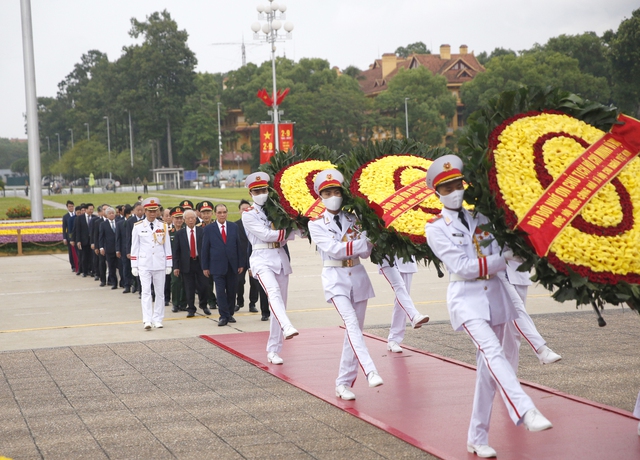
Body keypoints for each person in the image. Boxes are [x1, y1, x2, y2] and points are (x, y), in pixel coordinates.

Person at [424, 155, 552, 458]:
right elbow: (464, 266)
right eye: (447, 187)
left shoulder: (484, 219)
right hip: (466, 300)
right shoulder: (436, 228)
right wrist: (503, 259)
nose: (455, 190)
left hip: (495, 298)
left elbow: (505, 248)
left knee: (487, 371)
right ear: (437, 193)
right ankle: (525, 409)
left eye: (458, 184)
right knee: (493, 353)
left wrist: (519, 250)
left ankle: (477, 438)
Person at [308, 169, 383, 401]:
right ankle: (370, 370)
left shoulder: (355, 218)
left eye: (336, 191)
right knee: (350, 323)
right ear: (320, 196)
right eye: (328, 192)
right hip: (335, 278)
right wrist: (361, 243)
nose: (333, 195)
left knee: (354, 331)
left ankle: (342, 383)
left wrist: (364, 243)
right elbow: (333, 249)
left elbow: (368, 250)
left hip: (358, 277)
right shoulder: (316, 224)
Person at [242, 172, 300, 365]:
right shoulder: (248, 214)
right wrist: (288, 231)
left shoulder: (278, 209)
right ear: (251, 193)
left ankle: (273, 350)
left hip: (280, 257)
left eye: (264, 190)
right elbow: (266, 235)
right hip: (261, 259)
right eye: (257, 191)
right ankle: (287, 325)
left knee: (280, 304)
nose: (261, 194)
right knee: (272, 293)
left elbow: (289, 234)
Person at [504, 260, 562, 368]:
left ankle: (508, 375)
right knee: (516, 310)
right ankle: (541, 349)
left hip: (518, 270)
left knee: (512, 332)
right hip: (495, 275)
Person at [130, 197, 173, 330]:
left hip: (159, 263)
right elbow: (135, 247)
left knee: (160, 293)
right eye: (150, 211)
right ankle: (147, 319)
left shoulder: (163, 226)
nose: (152, 213)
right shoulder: (138, 227)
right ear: (145, 211)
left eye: (155, 210)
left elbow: (167, 246)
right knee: (146, 292)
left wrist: (169, 264)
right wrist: (134, 265)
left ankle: (158, 318)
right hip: (144, 263)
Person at [202, 204, 245, 326]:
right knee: (220, 292)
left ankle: (230, 313)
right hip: (216, 266)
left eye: (224, 212)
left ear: (227, 213)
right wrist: (205, 266)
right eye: (219, 212)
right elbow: (205, 249)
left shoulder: (233, 227)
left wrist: (241, 263)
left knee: (231, 292)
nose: (222, 215)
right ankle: (223, 316)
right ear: (215, 214)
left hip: (232, 265)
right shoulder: (209, 229)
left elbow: (238, 246)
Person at [378, 256, 430, 353]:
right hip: (385, 256)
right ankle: (414, 316)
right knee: (400, 287)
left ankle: (394, 339)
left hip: (405, 257)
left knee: (403, 297)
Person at [173, 209, 210, 317]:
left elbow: (206, 248)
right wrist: (176, 266)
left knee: (204, 286)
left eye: (193, 218)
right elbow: (176, 251)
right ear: (184, 220)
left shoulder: (202, 231)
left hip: (200, 262)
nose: (191, 220)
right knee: (189, 287)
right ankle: (191, 308)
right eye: (188, 218)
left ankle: (203, 305)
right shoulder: (180, 234)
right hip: (187, 263)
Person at [235, 199, 258, 313]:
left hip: (253, 256)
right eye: (243, 209)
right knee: (239, 281)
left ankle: (252, 303)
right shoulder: (235, 225)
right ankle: (239, 302)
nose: (245, 211)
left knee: (254, 281)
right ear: (239, 211)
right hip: (240, 258)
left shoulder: (255, 224)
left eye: (247, 209)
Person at [197, 201, 217, 311]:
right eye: (203, 213)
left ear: (212, 213)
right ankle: (211, 300)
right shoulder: (198, 227)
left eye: (208, 212)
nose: (206, 215)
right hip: (204, 258)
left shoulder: (216, 225)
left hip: (215, 258)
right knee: (207, 283)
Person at [168, 206, 187, 313]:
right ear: (172, 218)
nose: (179, 220)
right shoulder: (169, 232)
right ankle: (175, 303)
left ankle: (183, 303)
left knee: (185, 283)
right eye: (176, 218)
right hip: (173, 261)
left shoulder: (186, 231)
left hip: (185, 260)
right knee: (175, 283)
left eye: (180, 218)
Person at [127, 202, 145, 295]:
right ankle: (137, 287)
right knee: (137, 271)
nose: (140, 211)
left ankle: (143, 290)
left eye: (142, 210)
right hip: (136, 249)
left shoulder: (147, 219)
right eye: (138, 210)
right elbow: (129, 238)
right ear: (134, 211)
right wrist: (129, 251)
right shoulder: (130, 221)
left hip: (145, 250)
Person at [99, 207, 119, 289]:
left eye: (113, 213)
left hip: (118, 249)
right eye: (109, 213)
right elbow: (101, 237)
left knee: (121, 266)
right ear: (106, 215)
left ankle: (124, 282)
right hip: (109, 249)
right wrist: (101, 247)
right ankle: (114, 282)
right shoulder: (103, 224)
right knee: (111, 267)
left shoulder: (119, 222)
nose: (111, 214)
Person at [116, 204, 133, 293]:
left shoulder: (135, 223)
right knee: (125, 267)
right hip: (124, 249)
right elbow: (118, 238)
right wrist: (118, 250)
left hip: (133, 249)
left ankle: (135, 284)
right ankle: (127, 285)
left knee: (134, 268)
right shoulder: (120, 223)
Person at [73, 204, 92, 277]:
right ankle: (84, 271)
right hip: (83, 241)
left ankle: (91, 270)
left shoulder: (94, 217)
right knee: (84, 257)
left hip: (91, 241)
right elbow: (78, 230)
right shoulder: (80, 218)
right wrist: (78, 241)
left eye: (92, 209)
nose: (91, 211)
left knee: (91, 257)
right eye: (90, 209)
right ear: (86, 210)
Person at [62, 200, 75, 272]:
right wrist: (64, 238)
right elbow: (64, 228)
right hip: (69, 236)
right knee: (71, 252)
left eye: (72, 206)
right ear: (67, 207)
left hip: (76, 236)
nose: (71, 208)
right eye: (69, 207)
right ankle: (73, 265)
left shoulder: (76, 215)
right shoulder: (65, 217)